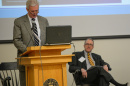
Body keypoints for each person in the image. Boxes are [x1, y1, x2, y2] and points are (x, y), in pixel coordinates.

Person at [13, 0, 49, 86]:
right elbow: (16, 40)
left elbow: (48, 38)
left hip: (42, 60)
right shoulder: (19, 22)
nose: (35, 13)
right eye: (32, 11)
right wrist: (29, 51)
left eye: (37, 10)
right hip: (26, 60)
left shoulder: (44, 20)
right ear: (27, 9)